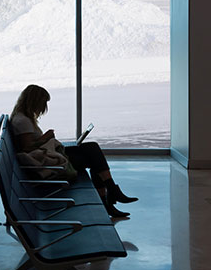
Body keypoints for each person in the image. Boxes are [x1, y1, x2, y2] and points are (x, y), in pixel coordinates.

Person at [10, 84, 137, 218]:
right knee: (93, 155)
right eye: (43, 103)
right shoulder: (23, 121)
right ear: (34, 101)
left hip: (46, 156)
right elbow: (27, 148)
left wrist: (46, 139)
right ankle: (110, 195)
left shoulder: (22, 118)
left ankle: (109, 198)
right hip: (45, 162)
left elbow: (29, 145)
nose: (44, 108)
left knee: (92, 150)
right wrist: (46, 137)